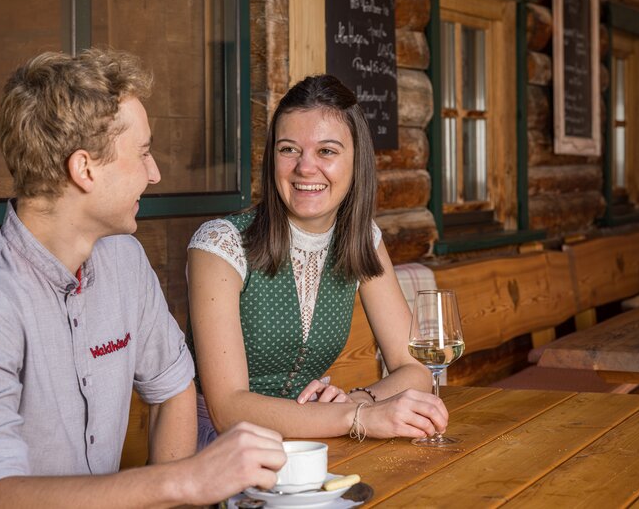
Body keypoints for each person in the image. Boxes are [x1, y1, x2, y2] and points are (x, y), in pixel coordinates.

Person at [0, 49, 285, 509]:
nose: (154, 172)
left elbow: (173, 389)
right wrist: (183, 481)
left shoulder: (124, 259)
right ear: (84, 169)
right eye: (142, 154)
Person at [186, 74, 449, 447]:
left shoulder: (362, 239)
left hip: (315, 438)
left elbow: (414, 367)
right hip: (219, 447)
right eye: (289, 149)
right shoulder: (219, 244)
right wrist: (356, 417)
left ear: (356, 161)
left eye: (326, 151)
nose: (305, 168)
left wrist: (361, 400)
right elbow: (228, 409)